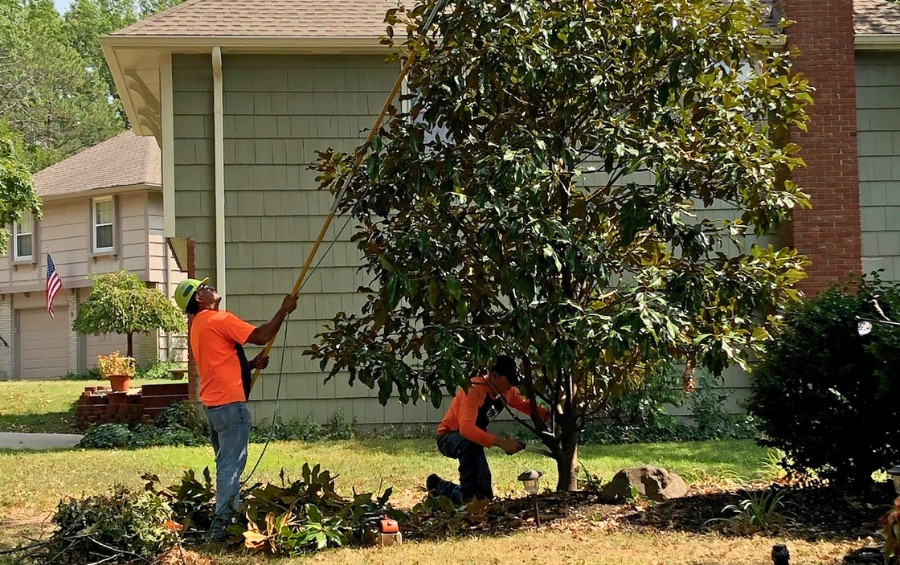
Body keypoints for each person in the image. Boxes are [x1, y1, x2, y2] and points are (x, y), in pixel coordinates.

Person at [174, 277, 297, 541]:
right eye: (204, 288)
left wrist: (249, 365)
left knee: (226, 463)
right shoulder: (219, 319)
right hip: (231, 406)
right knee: (230, 467)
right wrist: (284, 309)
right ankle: (221, 530)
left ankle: (229, 521)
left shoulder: (198, 326)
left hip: (215, 406)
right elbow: (261, 335)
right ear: (198, 298)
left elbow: (218, 361)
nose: (210, 288)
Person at [427, 355, 549, 504]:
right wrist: (501, 442)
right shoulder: (474, 389)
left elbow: (523, 405)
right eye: (508, 380)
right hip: (449, 437)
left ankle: (441, 486)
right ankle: (465, 498)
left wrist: (548, 414)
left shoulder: (507, 391)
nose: (511, 386)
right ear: (494, 375)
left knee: (484, 496)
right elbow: (465, 429)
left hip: (473, 443)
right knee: (470, 450)